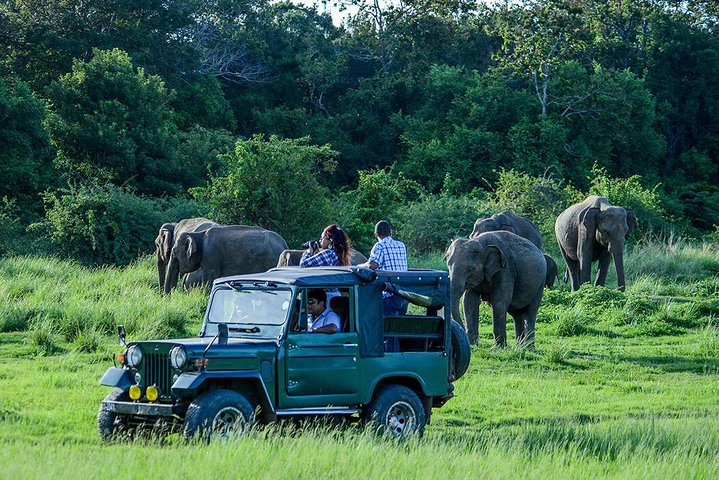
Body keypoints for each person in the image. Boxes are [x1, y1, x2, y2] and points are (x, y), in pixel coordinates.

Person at [360, 220, 409, 316]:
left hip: (389, 294)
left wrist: (360, 266)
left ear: (376, 234)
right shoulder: (401, 245)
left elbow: (372, 265)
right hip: (403, 294)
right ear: (390, 232)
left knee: (386, 326)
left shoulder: (380, 246)